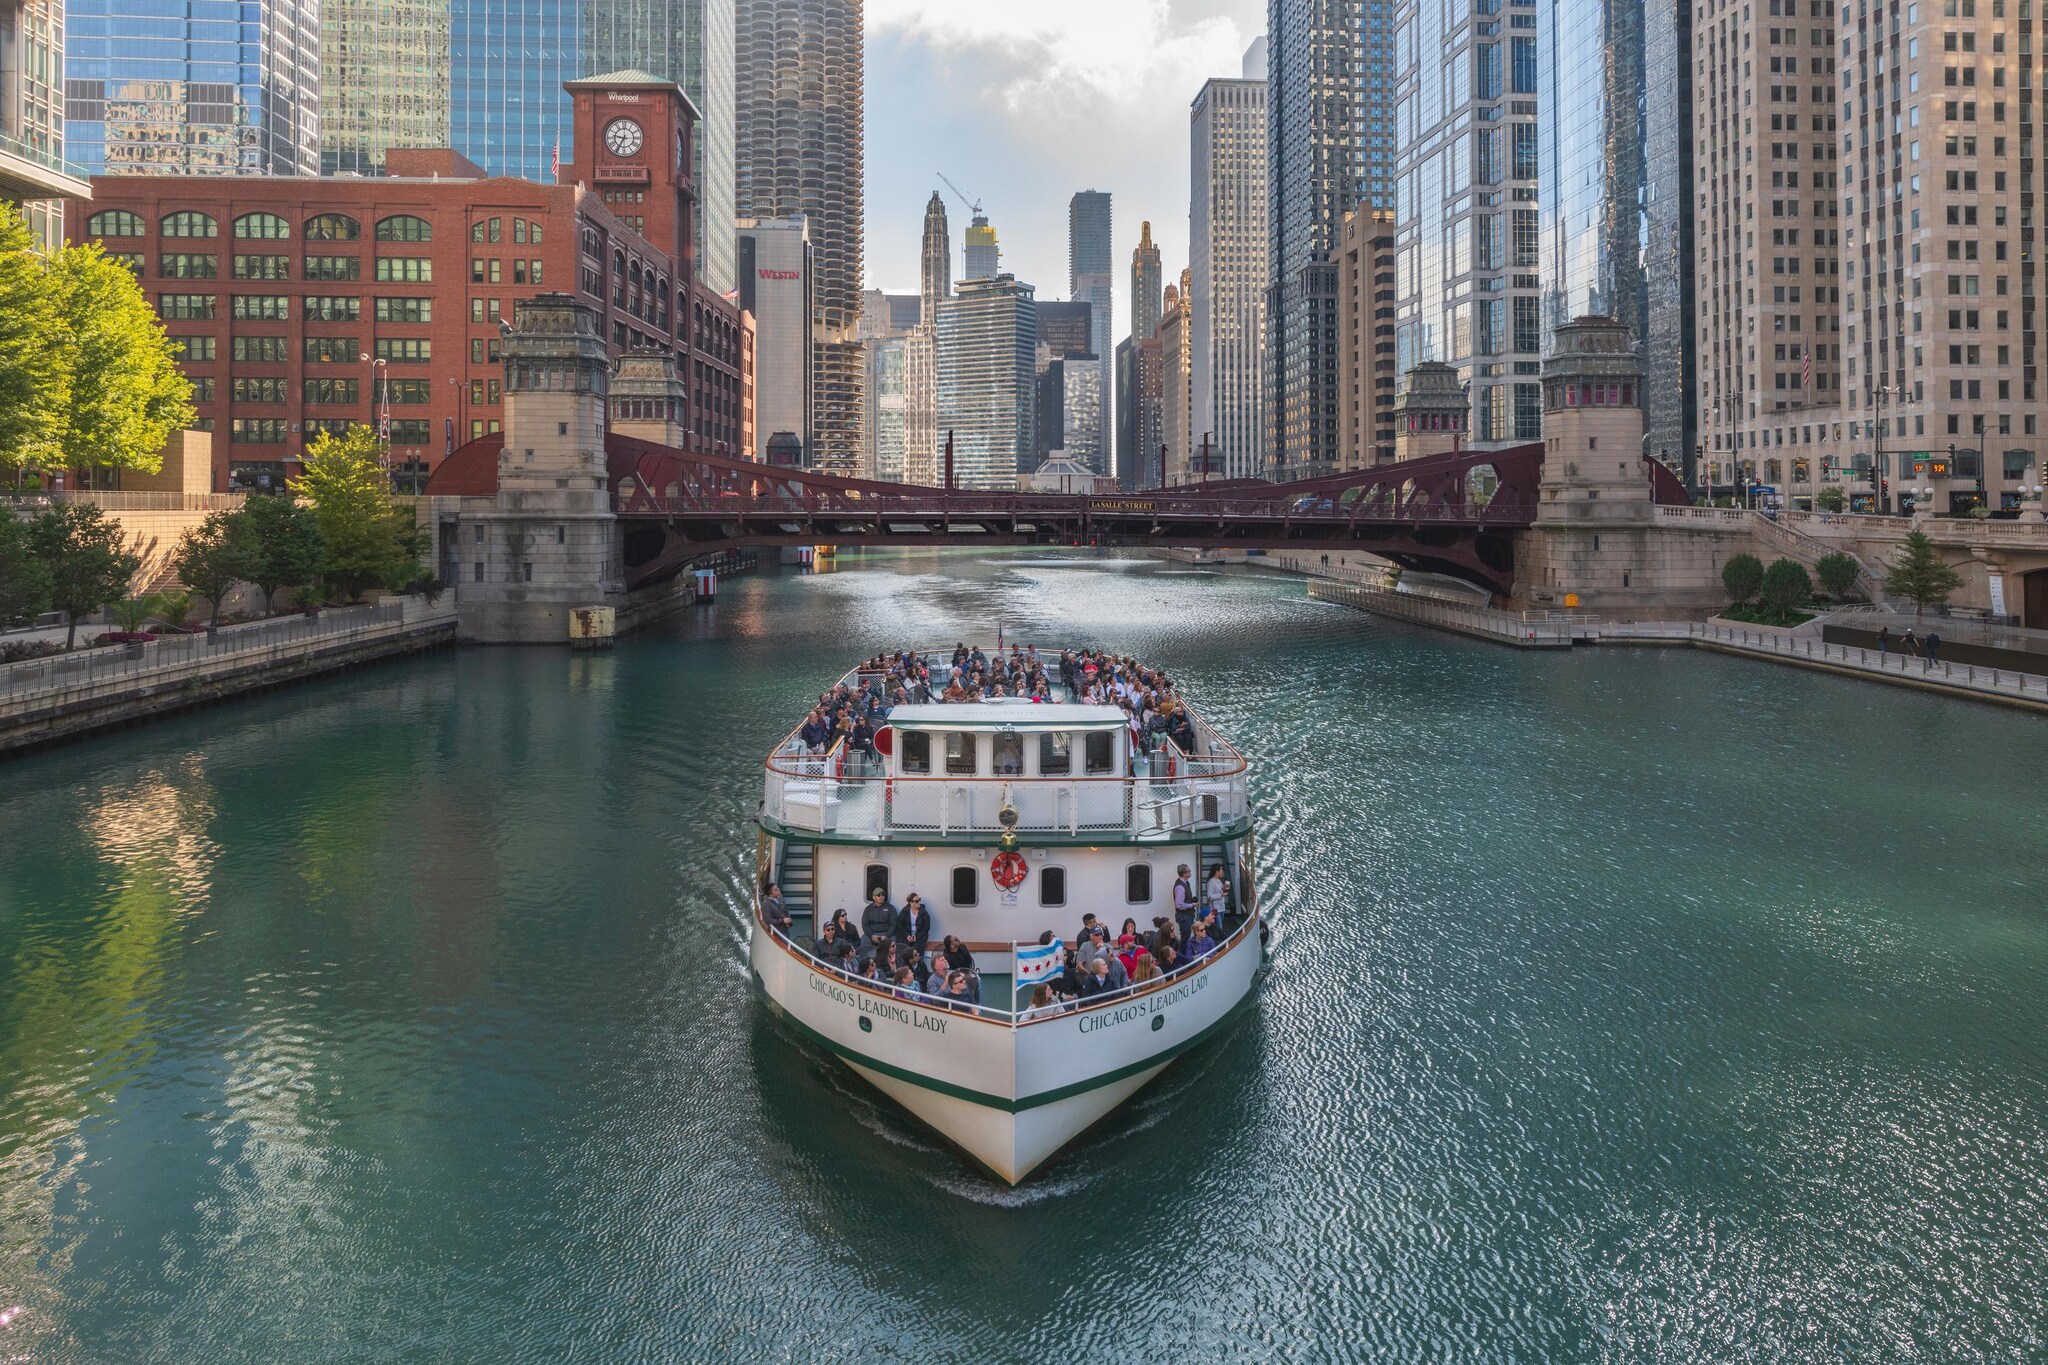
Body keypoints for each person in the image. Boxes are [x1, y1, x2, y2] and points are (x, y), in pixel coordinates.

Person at [859, 887, 898, 965]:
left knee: (893, 942)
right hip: (872, 934)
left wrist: (886, 936)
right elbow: (865, 925)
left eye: (883, 895)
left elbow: (893, 925)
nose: (881, 897)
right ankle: (865, 965)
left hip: (886, 934)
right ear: (874, 897)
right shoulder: (868, 909)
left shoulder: (890, 908)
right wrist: (871, 935)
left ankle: (891, 965)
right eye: (878, 895)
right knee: (863, 941)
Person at [896, 893, 933, 959]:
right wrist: (907, 935)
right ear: (911, 903)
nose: (919, 902)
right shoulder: (905, 911)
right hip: (907, 935)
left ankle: (919, 965)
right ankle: (904, 965)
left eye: (919, 900)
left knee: (918, 947)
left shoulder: (923, 912)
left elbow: (926, 927)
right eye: (916, 901)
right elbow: (899, 925)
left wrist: (916, 936)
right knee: (903, 947)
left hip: (919, 935)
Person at [1172, 864, 1197, 942]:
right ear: (1184, 874)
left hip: (1187, 915)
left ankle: (1185, 952)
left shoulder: (1185, 883)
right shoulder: (1180, 887)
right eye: (1189, 871)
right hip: (1184, 916)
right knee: (1185, 937)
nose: (1190, 872)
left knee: (1186, 936)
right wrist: (1191, 905)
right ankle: (1183, 953)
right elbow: (1179, 905)